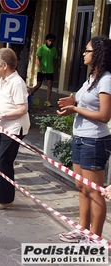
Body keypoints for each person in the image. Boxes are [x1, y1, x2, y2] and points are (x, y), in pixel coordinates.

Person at [57, 36, 111, 243]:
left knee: (94, 191)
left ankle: (95, 239)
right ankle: (83, 229)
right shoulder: (91, 79)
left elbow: (105, 115)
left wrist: (75, 108)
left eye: (87, 50)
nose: (83, 53)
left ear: (98, 54)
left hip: (94, 141)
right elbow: (80, 101)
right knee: (82, 187)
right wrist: (71, 104)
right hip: (80, 137)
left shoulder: (106, 79)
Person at [0, 48, 30, 210]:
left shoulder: (17, 82)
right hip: (1, 127)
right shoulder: (4, 80)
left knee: (3, 162)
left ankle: (5, 199)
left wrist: (1, 115)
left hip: (13, 128)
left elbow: (22, 109)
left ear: (4, 65)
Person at [29, 33, 58, 107]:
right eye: (49, 40)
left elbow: (55, 60)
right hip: (41, 70)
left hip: (50, 70)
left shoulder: (54, 50)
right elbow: (38, 59)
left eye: (52, 41)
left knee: (50, 85)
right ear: (46, 40)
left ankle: (47, 101)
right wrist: (40, 67)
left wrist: (55, 70)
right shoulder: (41, 48)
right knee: (39, 85)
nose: (50, 42)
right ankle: (30, 93)